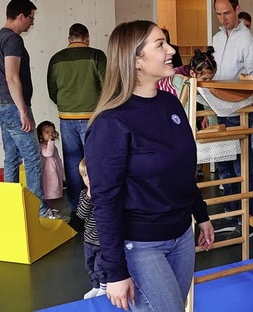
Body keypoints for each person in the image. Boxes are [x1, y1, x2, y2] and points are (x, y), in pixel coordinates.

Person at [84, 20, 214, 312]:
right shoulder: (110, 123)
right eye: (160, 45)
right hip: (140, 246)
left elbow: (183, 170)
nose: (171, 50)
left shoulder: (170, 104)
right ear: (137, 60)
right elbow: (104, 201)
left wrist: (201, 215)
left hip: (182, 235)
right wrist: (114, 271)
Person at [0, 0, 52, 218]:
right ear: (20, 16)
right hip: (13, 107)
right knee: (33, 157)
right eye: (31, 19)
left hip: (1, 104)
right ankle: (40, 211)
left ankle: (11, 209)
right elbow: (12, 77)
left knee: (11, 156)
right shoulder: (13, 40)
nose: (31, 23)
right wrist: (23, 110)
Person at [211, 0, 253, 238]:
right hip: (218, 109)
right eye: (219, 14)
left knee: (242, 167)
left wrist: (243, 85)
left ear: (237, 9)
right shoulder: (216, 38)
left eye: (227, 13)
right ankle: (230, 215)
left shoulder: (249, 41)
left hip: (241, 111)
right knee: (224, 166)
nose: (223, 18)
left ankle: (248, 220)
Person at [47, 23, 106, 214]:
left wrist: (66, 105)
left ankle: (76, 209)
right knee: (95, 161)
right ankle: (98, 206)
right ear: (87, 38)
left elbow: (52, 90)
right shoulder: (96, 55)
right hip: (92, 117)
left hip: (66, 118)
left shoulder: (56, 59)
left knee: (72, 164)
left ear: (69, 39)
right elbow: (107, 84)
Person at [76, 159, 107, 299]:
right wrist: (89, 195)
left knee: (101, 266)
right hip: (89, 240)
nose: (88, 179)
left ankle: (104, 287)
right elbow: (81, 214)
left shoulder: (104, 194)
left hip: (102, 241)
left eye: (91, 175)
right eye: (84, 176)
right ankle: (95, 286)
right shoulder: (84, 195)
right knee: (90, 266)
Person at [36, 121, 66, 217]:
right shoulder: (42, 146)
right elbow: (48, 153)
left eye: (52, 132)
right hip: (48, 174)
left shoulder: (51, 145)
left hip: (54, 172)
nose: (51, 134)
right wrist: (51, 142)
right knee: (48, 193)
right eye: (47, 132)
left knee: (53, 192)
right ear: (41, 135)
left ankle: (51, 209)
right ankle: (48, 211)